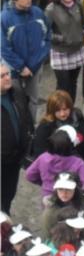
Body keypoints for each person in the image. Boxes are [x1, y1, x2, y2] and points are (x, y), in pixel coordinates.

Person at [1, 0, 51, 119]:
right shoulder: (4, 18)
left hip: (34, 67)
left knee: (33, 100)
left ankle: (31, 131)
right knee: (14, 101)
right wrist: (21, 67)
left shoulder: (38, 13)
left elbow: (47, 38)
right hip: (13, 69)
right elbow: (3, 47)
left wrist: (35, 63)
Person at [1, 62, 31, 213]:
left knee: (9, 194)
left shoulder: (16, 90)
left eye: (7, 74)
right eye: (2, 76)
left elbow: (26, 116)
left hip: (16, 156)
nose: (7, 78)